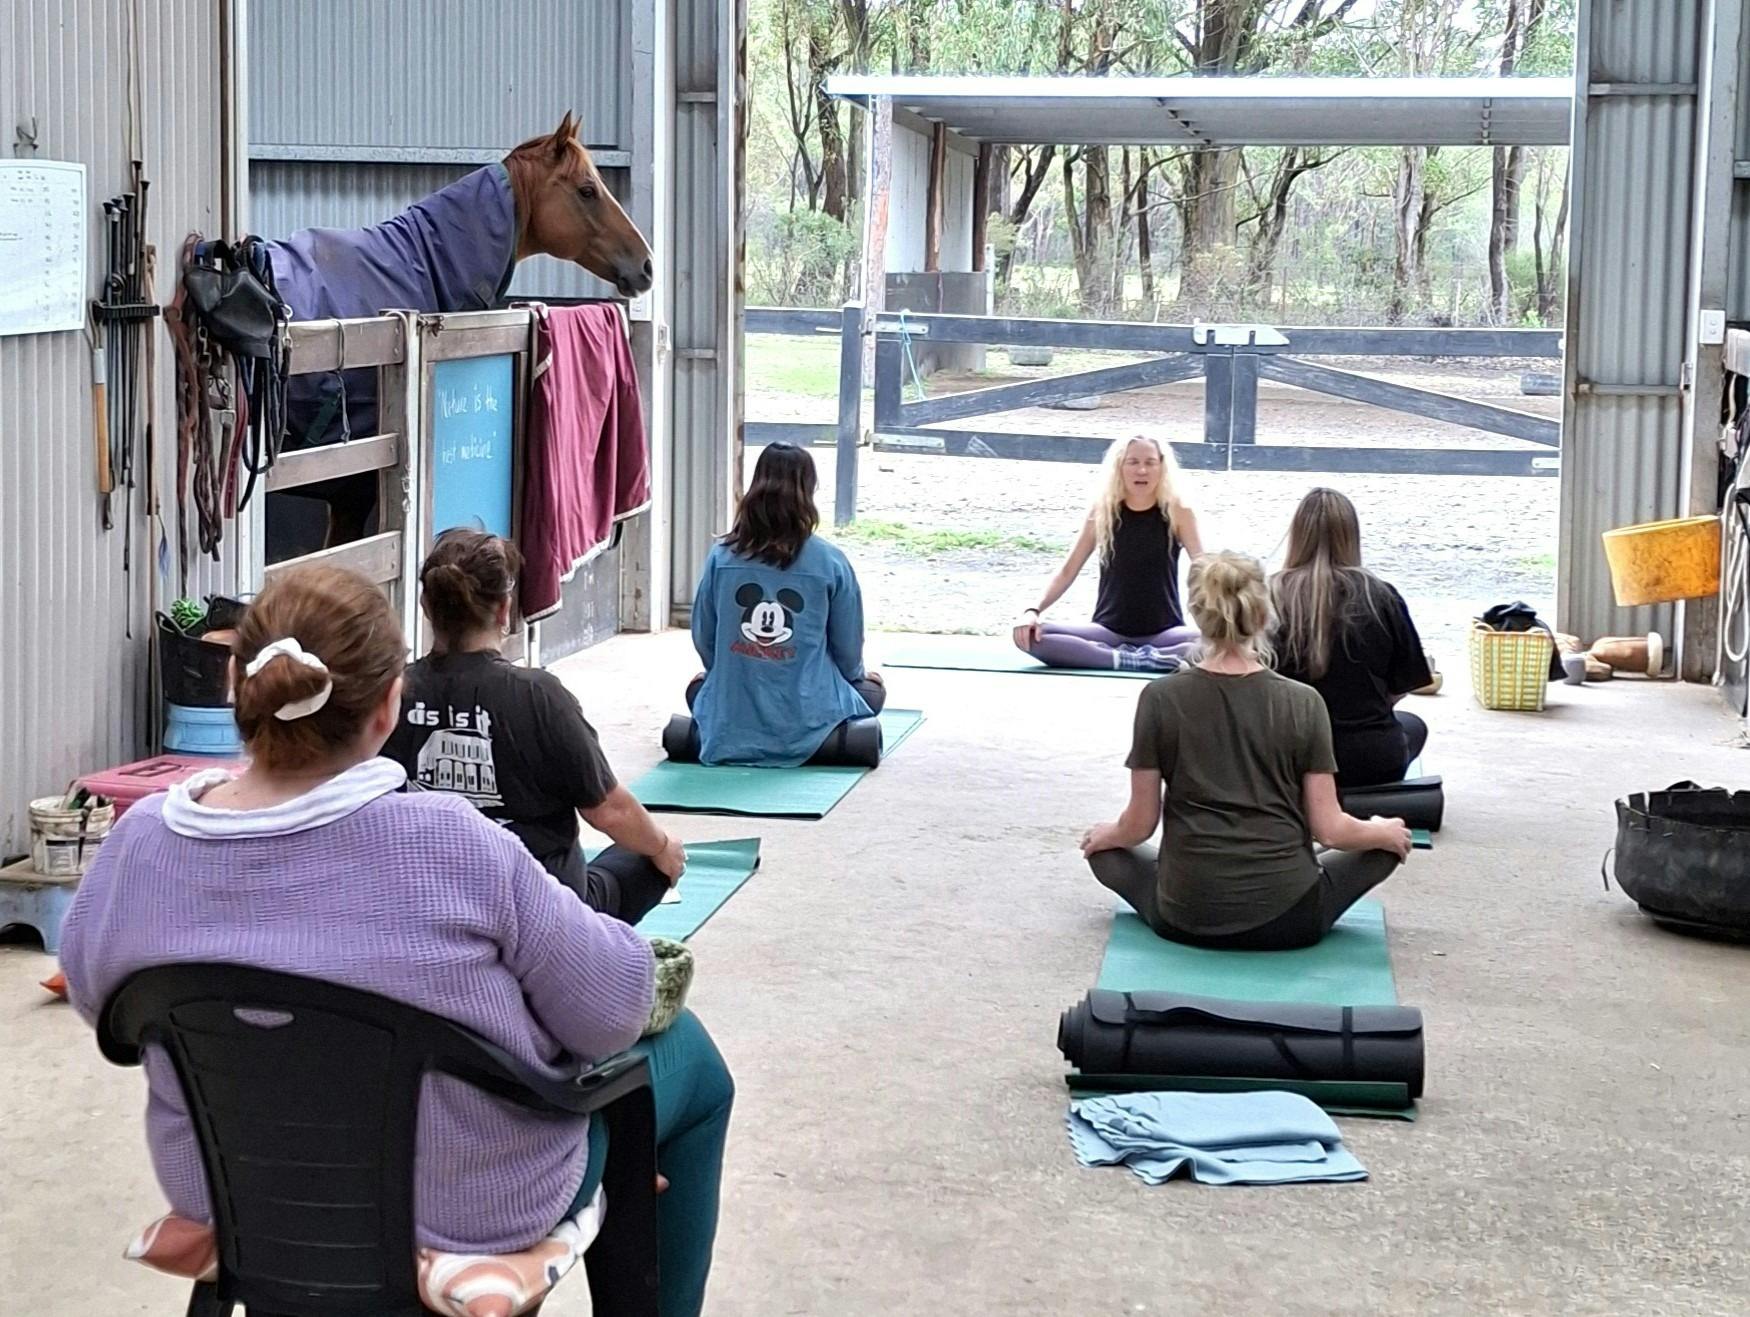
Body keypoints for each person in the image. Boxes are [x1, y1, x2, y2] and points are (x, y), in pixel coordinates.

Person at [58, 566, 731, 1316]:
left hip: (239, 1189)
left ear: (236, 695)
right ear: (388, 706)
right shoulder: (451, 843)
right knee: (691, 1067)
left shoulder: (141, 847)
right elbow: (609, 1009)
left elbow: (95, 996)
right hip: (468, 1204)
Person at [1081, 551, 1412, 951]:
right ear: (1263, 614)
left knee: (1105, 853)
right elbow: (1330, 829)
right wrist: (1381, 829)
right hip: (1291, 917)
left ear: (1197, 614)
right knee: (1386, 847)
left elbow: (1139, 825)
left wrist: (1106, 834)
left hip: (1184, 913)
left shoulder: (1159, 698)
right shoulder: (1304, 702)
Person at [384, 529, 685, 926]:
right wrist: (665, 849)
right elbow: (609, 811)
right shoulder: (538, 696)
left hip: (426, 903)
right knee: (649, 854)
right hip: (541, 917)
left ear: (425, 606)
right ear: (504, 609)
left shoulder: (389, 695)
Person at [689, 441, 885, 765]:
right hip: (811, 713)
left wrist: (719, 674)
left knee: (697, 690)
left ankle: (738, 731)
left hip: (733, 712)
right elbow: (848, 648)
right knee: (872, 693)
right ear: (808, 492)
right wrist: (857, 678)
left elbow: (704, 637)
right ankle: (809, 741)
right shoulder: (831, 562)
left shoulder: (720, 557)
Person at [1270, 488, 1433, 788]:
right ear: (1351, 536)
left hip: (1287, 760)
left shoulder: (1268, 596)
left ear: (1296, 535)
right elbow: (1404, 683)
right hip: (1368, 758)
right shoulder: (1380, 595)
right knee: (1414, 726)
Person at [1012, 435, 1205, 673]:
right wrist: (1032, 611)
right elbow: (1068, 570)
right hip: (1108, 631)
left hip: (1165, 632)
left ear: (1161, 467)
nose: (1141, 470)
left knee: (1217, 643)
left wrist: (1219, 625)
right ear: (1119, 467)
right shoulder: (1102, 511)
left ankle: (1118, 657)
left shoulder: (1179, 511)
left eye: (1150, 462)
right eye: (1132, 462)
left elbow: (1204, 571)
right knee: (1031, 635)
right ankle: (1136, 659)